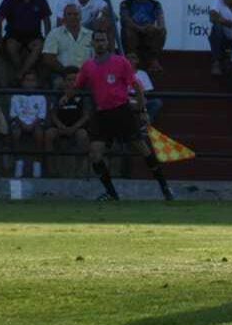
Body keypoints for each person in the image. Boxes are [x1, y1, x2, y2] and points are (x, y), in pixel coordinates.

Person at [63, 29, 173, 200]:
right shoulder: (88, 66)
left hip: (121, 111)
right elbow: (77, 85)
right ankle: (112, 194)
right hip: (101, 114)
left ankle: (165, 187)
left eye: (103, 40)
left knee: (142, 149)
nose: (100, 43)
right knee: (95, 153)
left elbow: (136, 87)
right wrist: (66, 96)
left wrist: (143, 110)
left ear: (108, 43)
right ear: (92, 43)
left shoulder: (121, 62)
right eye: (97, 40)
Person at [0, 0, 52, 83]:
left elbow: (47, 20)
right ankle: (26, 74)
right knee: (10, 46)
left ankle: (19, 75)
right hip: (14, 35)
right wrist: (0, 40)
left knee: (39, 46)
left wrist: (48, 39)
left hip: (34, 36)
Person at [119, 0, 167, 71]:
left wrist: (154, 28)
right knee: (127, 29)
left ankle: (153, 60)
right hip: (133, 32)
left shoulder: (156, 4)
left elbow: (161, 23)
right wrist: (139, 28)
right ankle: (131, 60)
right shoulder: (125, 3)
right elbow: (126, 20)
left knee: (162, 32)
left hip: (148, 33)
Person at [41, 4, 94, 88]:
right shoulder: (54, 34)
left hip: (86, 75)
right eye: (69, 14)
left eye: (76, 14)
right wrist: (67, 73)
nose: (73, 17)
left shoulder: (91, 35)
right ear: (64, 17)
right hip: (61, 75)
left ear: (81, 17)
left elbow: (96, 58)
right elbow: (48, 58)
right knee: (58, 84)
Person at [9, 71, 49, 177]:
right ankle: (18, 162)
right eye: (27, 80)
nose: (30, 83)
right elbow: (14, 115)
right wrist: (23, 124)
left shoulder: (41, 97)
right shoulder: (15, 97)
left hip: (36, 124)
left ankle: (37, 163)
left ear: (36, 83)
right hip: (19, 123)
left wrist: (32, 125)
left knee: (39, 133)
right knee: (15, 132)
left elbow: (41, 116)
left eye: (33, 80)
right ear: (22, 82)